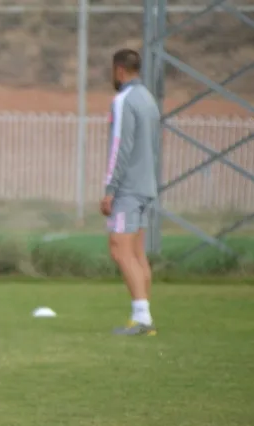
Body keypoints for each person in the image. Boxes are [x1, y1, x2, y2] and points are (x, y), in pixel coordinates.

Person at [102, 48, 160, 336]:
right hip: (146, 185)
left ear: (119, 70)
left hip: (128, 188)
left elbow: (119, 147)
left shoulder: (124, 100)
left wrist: (110, 189)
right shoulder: (148, 99)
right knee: (137, 253)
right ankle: (142, 316)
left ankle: (142, 318)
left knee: (119, 248)